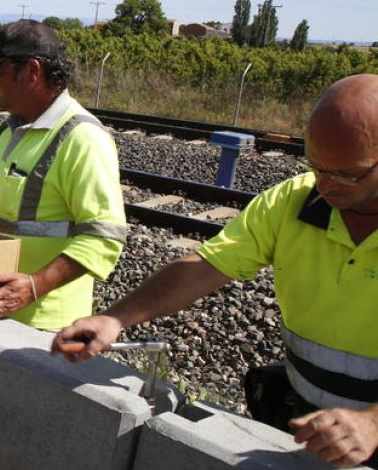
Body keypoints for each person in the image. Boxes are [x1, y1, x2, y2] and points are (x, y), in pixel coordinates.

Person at [53, 73, 378, 469]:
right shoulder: (293, 203)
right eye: (316, 166)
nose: (324, 185)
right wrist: (115, 317)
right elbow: (205, 267)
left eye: (346, 174)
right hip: (315, 428)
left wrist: (371, 422)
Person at [0, 19, 125, 330]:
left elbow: (103, 237)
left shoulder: (83, 140)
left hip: (41, 326)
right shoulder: (8, 130)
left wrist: (33, 286)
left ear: (32, 71)